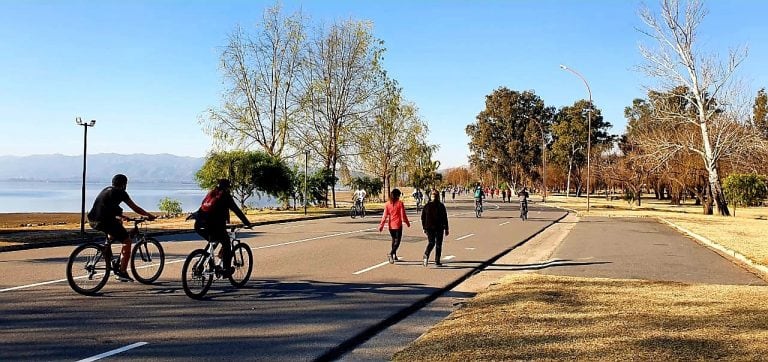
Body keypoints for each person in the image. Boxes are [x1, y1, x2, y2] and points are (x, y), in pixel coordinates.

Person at [87, 174, 157, 282]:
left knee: (115, 229)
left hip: (92, 219)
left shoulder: (107, 189)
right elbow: (135, 208)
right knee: (127, 241)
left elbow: (107, 207)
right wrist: (148, 215)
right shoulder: (121, 192)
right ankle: (122, 272)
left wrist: (122, 217)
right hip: (104, 221)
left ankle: (108, 255)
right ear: (124, 184)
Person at [193, 179, 252, 277]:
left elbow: (203, 208)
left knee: (214, 240)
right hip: (213, 225)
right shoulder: (225, 196)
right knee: (226, 243)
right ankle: (226, 270)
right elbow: (237, 210)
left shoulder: (211, 193)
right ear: (227, 188)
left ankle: (200, 264)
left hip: (199, 224)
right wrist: (247, 223)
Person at [379, 188, 411, 264]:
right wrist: (407, 222)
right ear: (397, 196)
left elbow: (384, 216)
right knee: (398, 241)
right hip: (398, 225)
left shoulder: (387, 204)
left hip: (390, 226)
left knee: (394, 240)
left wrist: (381, 225)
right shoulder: (400, 203)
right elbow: (403, 215)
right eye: (399, 195)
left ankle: (394, 255)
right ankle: (391, 253)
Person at [421, 189, 449, 267]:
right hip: (439, 227)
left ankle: (426, 254)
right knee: (438, 244)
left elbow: (423, 217)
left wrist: (424, 227)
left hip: (429, 227)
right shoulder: (441, 206)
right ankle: (437, 261)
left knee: (431, 242)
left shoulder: (427, 206)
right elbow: (444, 218)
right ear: (438, 197)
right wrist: (446, 228)